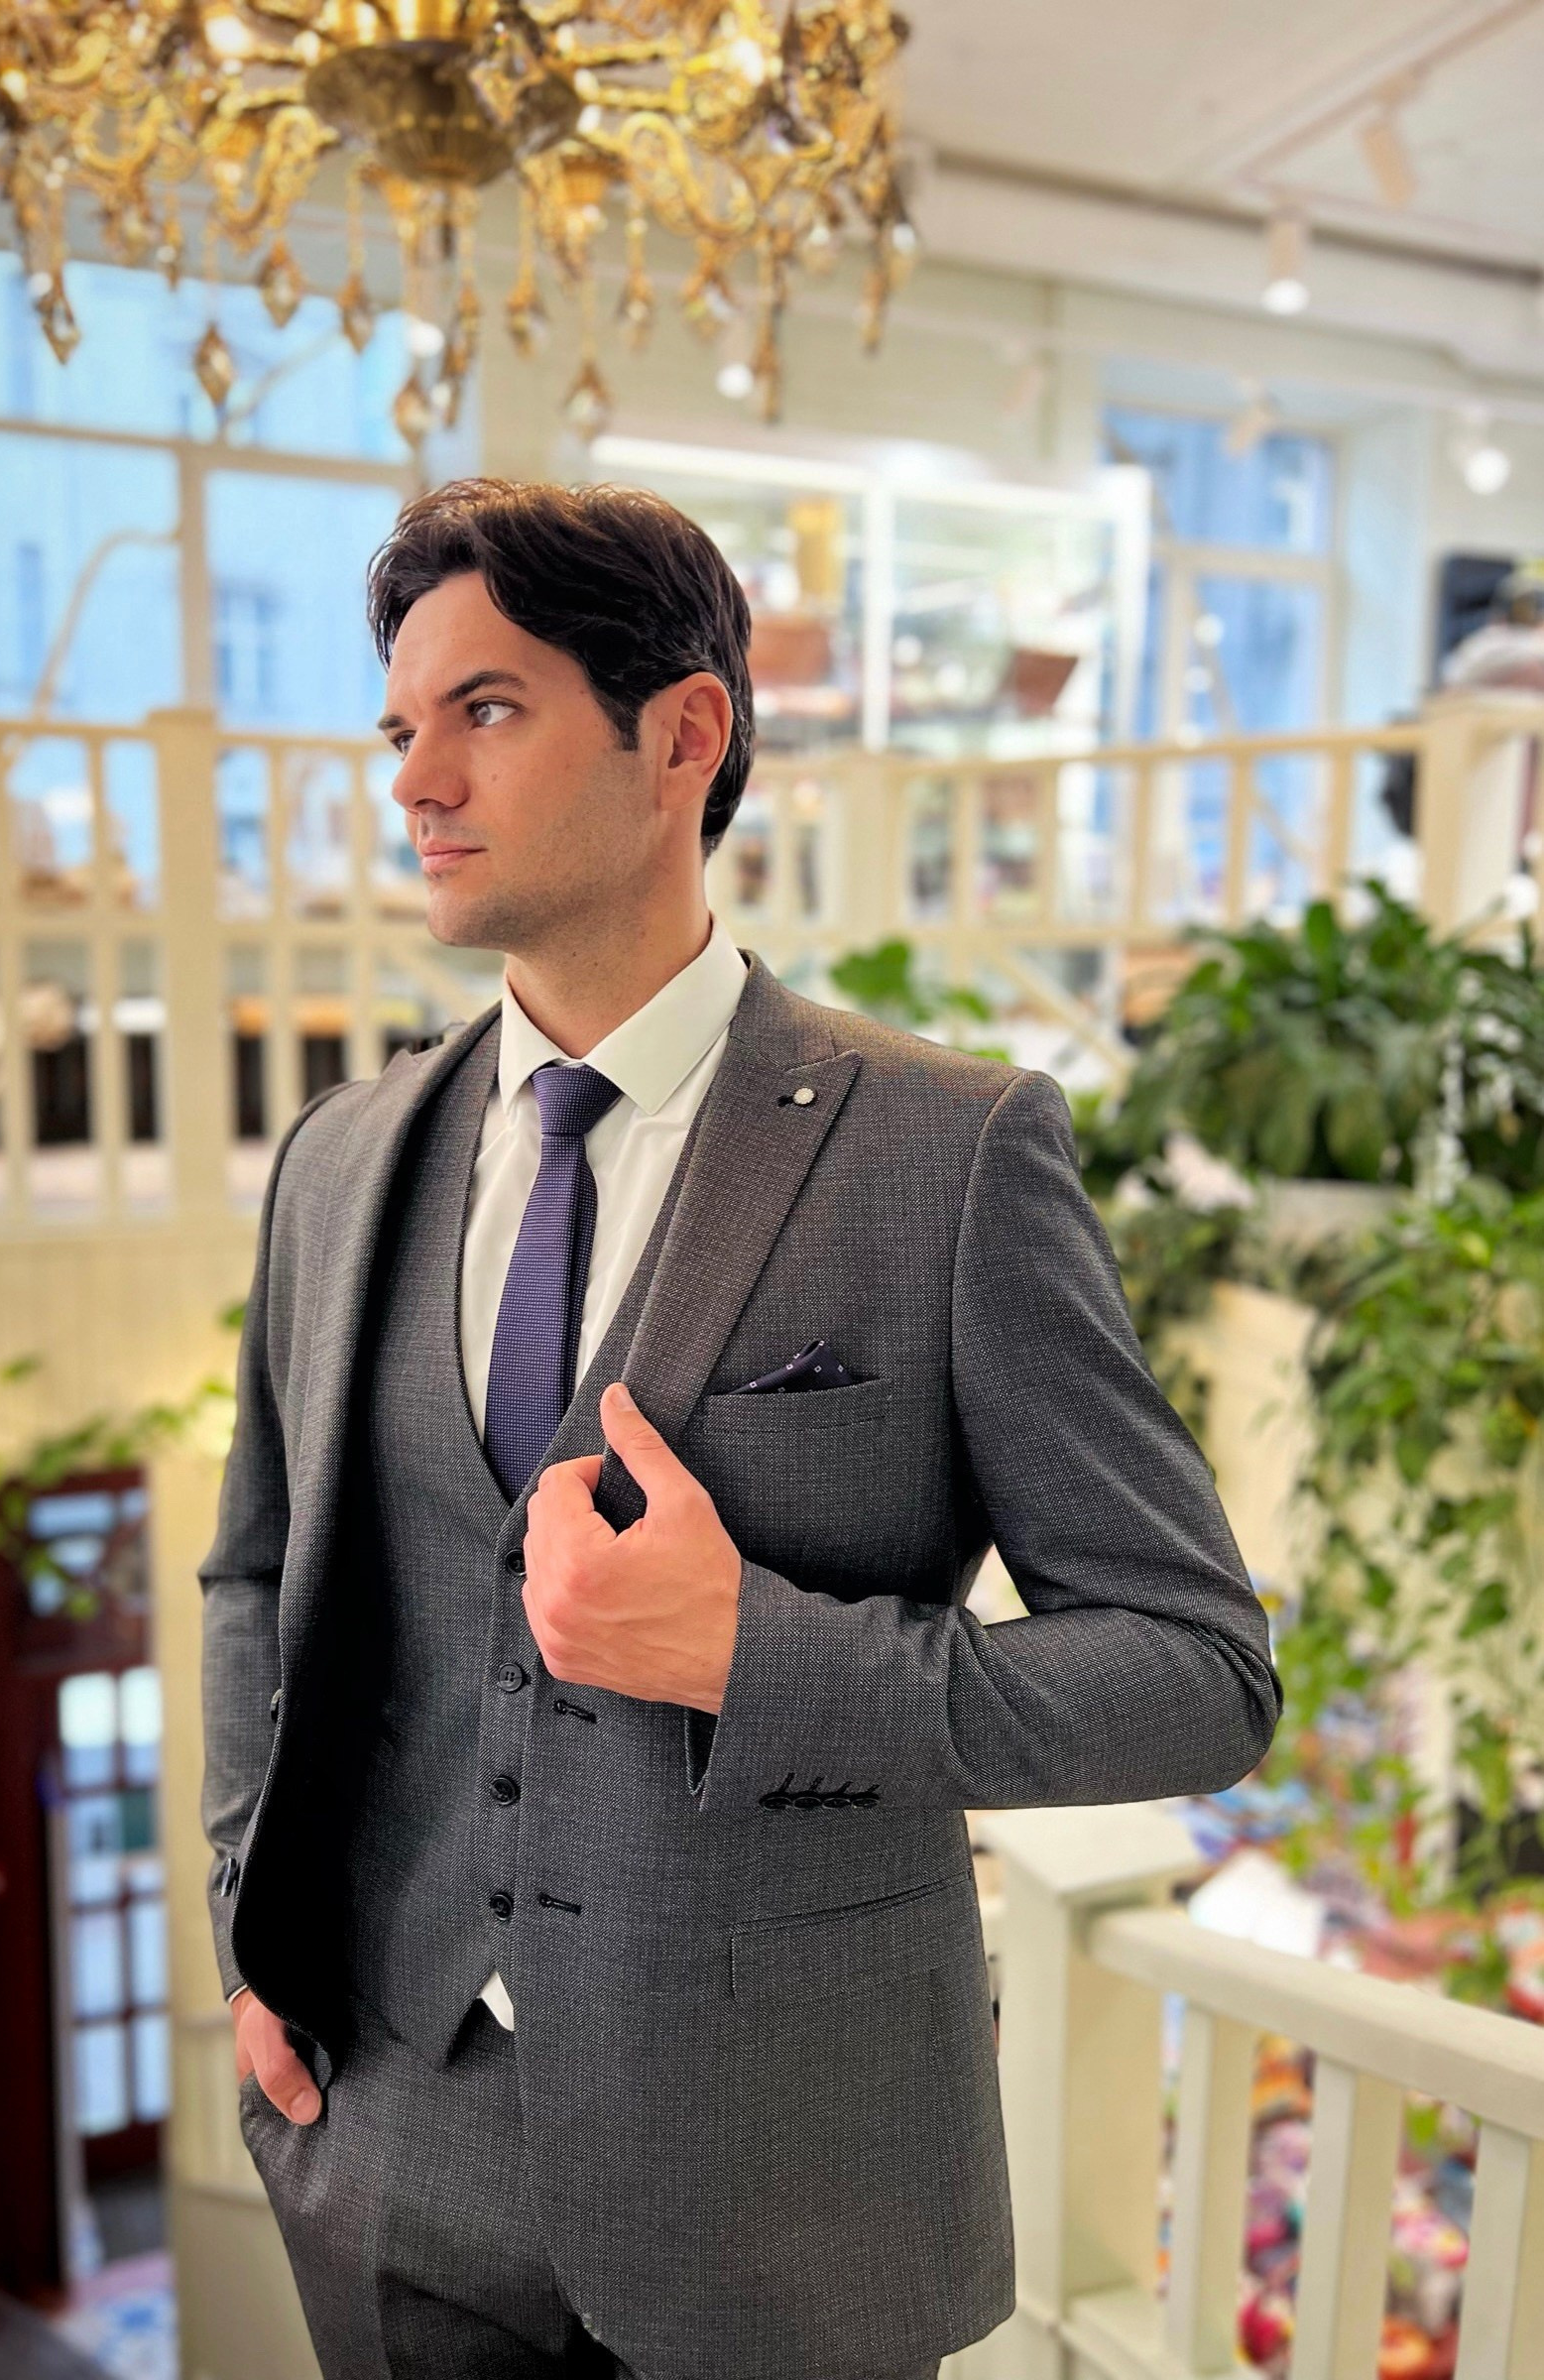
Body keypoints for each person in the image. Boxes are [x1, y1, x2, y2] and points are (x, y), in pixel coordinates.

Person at [199, 477, 1281, 2380]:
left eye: (486, 710)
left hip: (787, 2194)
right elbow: (254, 1577)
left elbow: (1196, 1675)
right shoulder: (337, 1161)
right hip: (390, 2143)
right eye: (400, 727)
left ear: (682, 734)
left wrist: (749, 1656)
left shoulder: (947, 1151)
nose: (415, 783)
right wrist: (247, 1928)